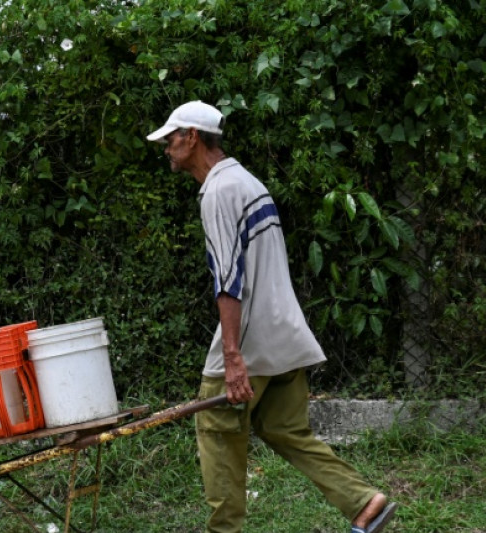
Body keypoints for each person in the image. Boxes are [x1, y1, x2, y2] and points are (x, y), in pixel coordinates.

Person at [146, 101, 398, 533]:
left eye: (170, 139)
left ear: (191, 136)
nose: (167, 149)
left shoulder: (220, 192)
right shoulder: (247, 181)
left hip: (251, 340)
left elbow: (228, 279)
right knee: (285, 430)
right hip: (284, 335)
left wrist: (232, 356)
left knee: (218, 434)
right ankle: (363, 501)